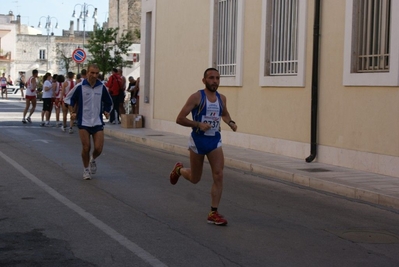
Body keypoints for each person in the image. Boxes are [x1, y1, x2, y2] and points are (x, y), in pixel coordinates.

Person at [169, 68, 237, 226]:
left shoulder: (222, 99)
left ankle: (213, 212)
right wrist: (197, 124)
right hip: (198, 141)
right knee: (195, 178)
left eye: (217, 78)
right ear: (204, 80)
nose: (215, 81)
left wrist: (230, 122)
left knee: (219, 174)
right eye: (211, 78)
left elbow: (224, 114)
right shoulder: (197, 97)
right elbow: (179, 118)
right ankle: (179, 170)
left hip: (214, 141)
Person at [68, 63, 113, 180]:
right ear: (87, 72)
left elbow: (109, 102)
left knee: (98, 148)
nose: (94, 75)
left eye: (97, 73)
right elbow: (69, 99)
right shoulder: (80, 86)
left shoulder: (101, 87)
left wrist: (107, 111)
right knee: (86, 147)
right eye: (92, 73)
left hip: (97, 121)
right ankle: (86, 169)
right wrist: (72, 112)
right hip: (84, 121)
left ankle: (93, 159)